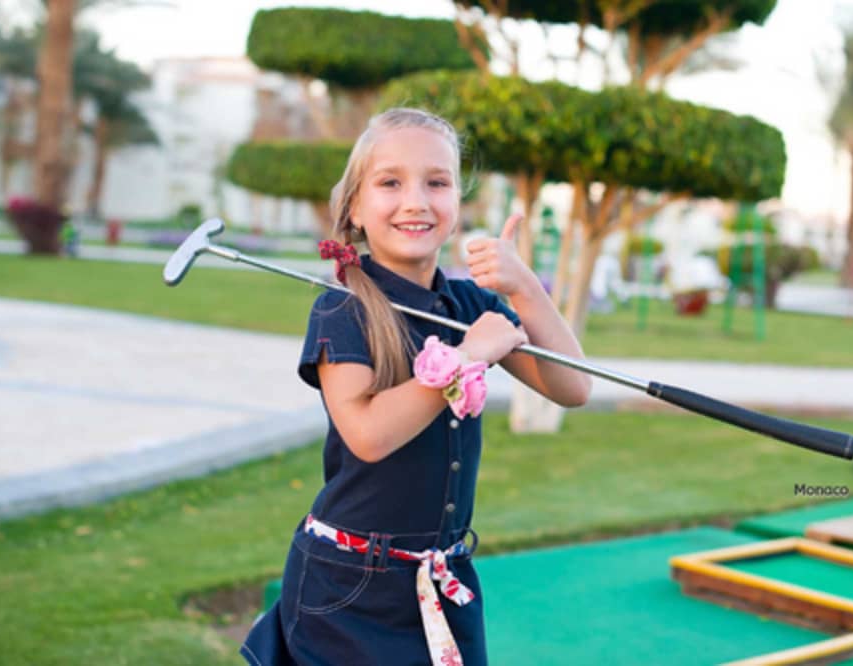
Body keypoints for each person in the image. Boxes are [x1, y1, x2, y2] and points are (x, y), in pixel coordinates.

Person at [241, 107, 591, 666]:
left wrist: (523, 286)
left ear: (457, 202)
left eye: (437, 182)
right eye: (390, 183)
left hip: (443, 578)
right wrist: (466, 358)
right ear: (355, 206)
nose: (416, 201)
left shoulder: (469, 307)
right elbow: (369, 434)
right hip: (351, 590)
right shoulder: (342, 310)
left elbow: (573, 387)